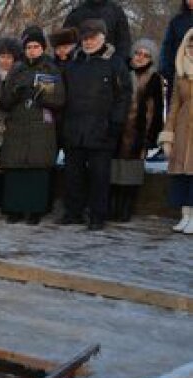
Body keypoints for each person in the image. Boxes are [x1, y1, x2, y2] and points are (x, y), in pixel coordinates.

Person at [61, 19, 131, 230]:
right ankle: (73, 213)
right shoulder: (73, 62)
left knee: (99, 176)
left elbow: (124, 96)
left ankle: (97, 216)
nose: (88, 42)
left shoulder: (115, 63)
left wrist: (116, 123)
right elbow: (63, 94)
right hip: (74, 128)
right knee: (73, 174)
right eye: (85, 38)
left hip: (102, 130)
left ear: (103, 37)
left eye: (92, 38)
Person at [0, 28, 66, 224]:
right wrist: (15, 94)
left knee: (37, 170)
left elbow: (60, 99)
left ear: (43, 48)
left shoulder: (50, 69)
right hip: (18, 125)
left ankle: (35, 210)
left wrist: (42, 94)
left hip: (40, 127)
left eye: (36, 47)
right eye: (29, 47)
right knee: (16, 168)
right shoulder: (16, 69)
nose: (32, 50)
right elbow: (4, 102)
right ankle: (14, 209)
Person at [111, 39, 165, 222]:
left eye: (146, 55)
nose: (141, 57)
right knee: (114, 169)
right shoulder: (122, 71)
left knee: (131, 172)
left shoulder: (154, 78)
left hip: (137, 132)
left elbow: (156, 110)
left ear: (151, 59)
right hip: (117, 129)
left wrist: (151, 135)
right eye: (138, 53)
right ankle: (113, 207)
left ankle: (126, 209)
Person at [159, 29, 193, 234]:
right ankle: (185, 215)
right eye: (190, 45)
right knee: (181, 175)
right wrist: (168, 135)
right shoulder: (180, 74)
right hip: (182, 130)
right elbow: (173, 107)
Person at [63, 0, 131, 61]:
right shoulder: (76, 13)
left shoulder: (117, 12)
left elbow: (124, 41)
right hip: (81, 64)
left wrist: (118, 63)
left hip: (109, 64)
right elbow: (66, 41)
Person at [161, 0, 193, 105]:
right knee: (176, 111)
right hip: (179, 74)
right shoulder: (177, 21)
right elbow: (167, 47)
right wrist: (166, 70)